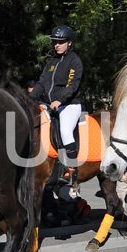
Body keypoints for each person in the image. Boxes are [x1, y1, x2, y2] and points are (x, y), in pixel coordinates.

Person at [29, 25, 84, 185]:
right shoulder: (51, 62)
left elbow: (72, 85)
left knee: (65, 131)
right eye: (55, 42)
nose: (57, 45)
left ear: (69, 43)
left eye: (61, 42)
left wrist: (60, 100)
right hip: (50, 105)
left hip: (69, 105)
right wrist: (28, 99)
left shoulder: (75, 61)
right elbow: (41, 83)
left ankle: (72, 169)